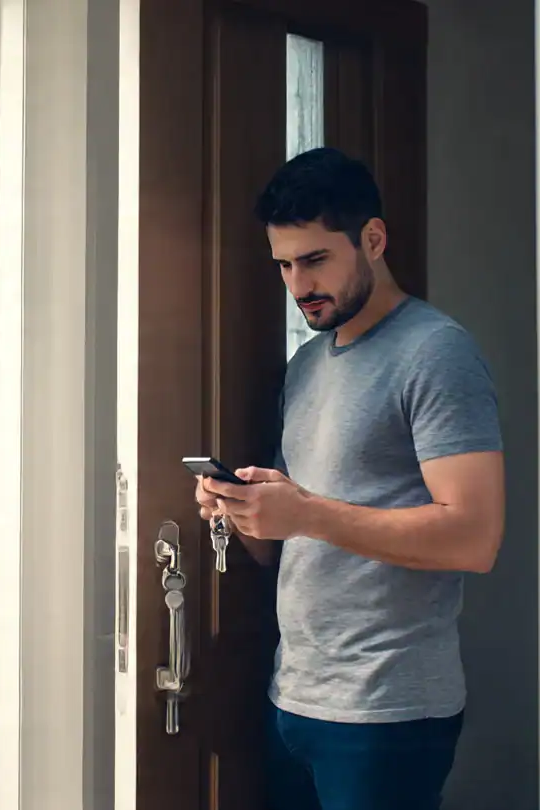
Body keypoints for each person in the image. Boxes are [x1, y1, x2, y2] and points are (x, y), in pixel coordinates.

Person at [194, 147, 505, 810]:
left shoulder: (436, 352)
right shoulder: (307, 365)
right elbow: (296, 546)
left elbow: (475, 537)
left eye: (315, 259)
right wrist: (245, 511)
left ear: (372, 239)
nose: (298, 283)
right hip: (295, 698)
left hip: (389, 712)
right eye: (284, 263)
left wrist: (306, 513)